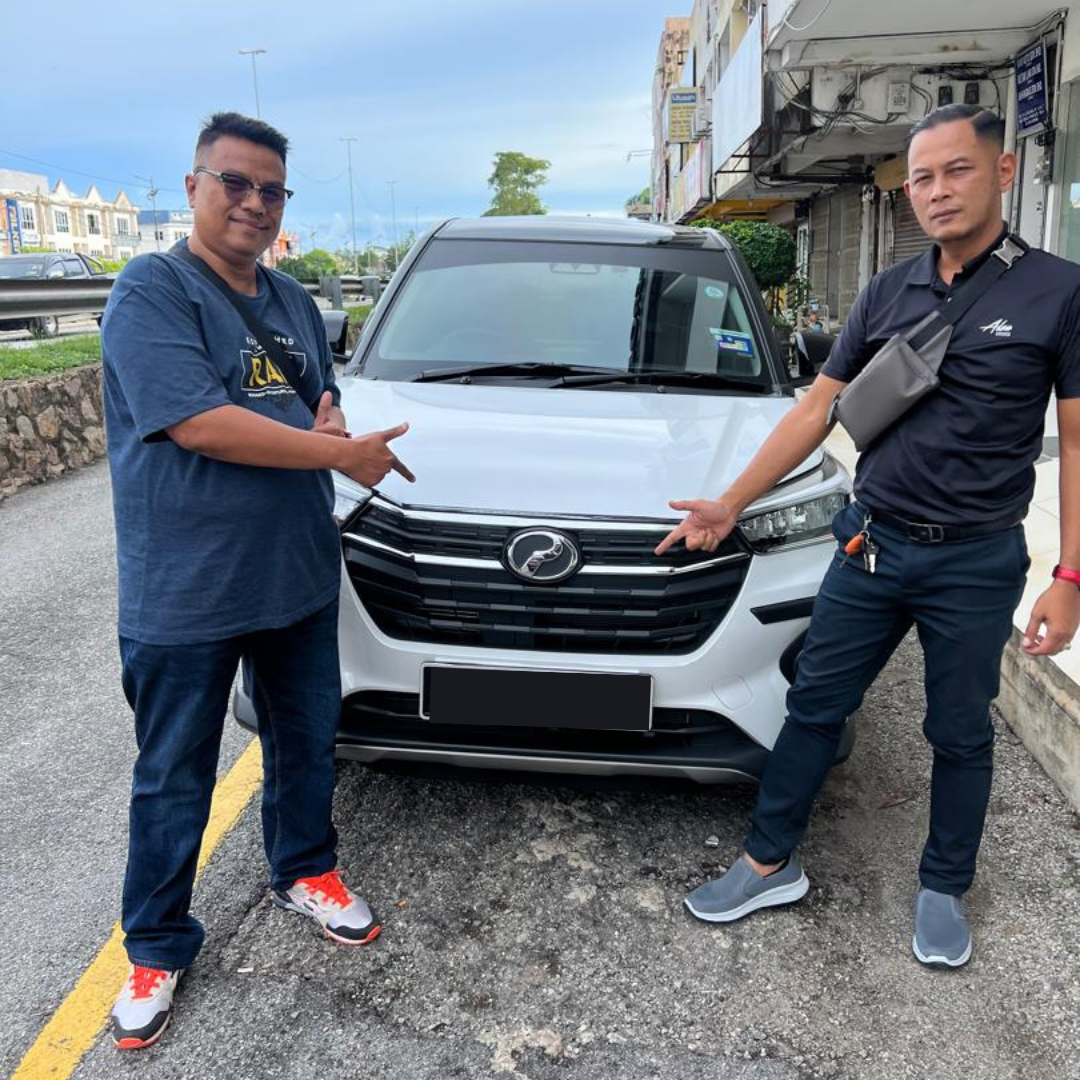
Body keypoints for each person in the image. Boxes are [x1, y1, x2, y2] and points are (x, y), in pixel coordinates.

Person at [655, 104, 1080, 968]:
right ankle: (766, 862)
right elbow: (817, 409)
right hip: (871, 546)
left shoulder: (1060, 292)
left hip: (976, 559)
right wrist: (731, 502)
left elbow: (1076, 443)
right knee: (814, 706)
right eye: (921, 178)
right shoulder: (888, 291)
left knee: (958, 731)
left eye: (957, 170)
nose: (937, 191)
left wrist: (1070, 575)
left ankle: (943, 885)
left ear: (1004, 172)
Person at [102, 112, 415, 1049]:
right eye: (234, 182)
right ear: (193, 186)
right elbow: (199, 422)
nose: (253, 202)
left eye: (271, 190)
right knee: (173, 774)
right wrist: (339, 453)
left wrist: (332, 419)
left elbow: (317, 394)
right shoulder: (151, 290)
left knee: (305, 741)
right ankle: (156, 946)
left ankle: (304, 869)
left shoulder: (289, 300)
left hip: (297, 573)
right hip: (185, 587)